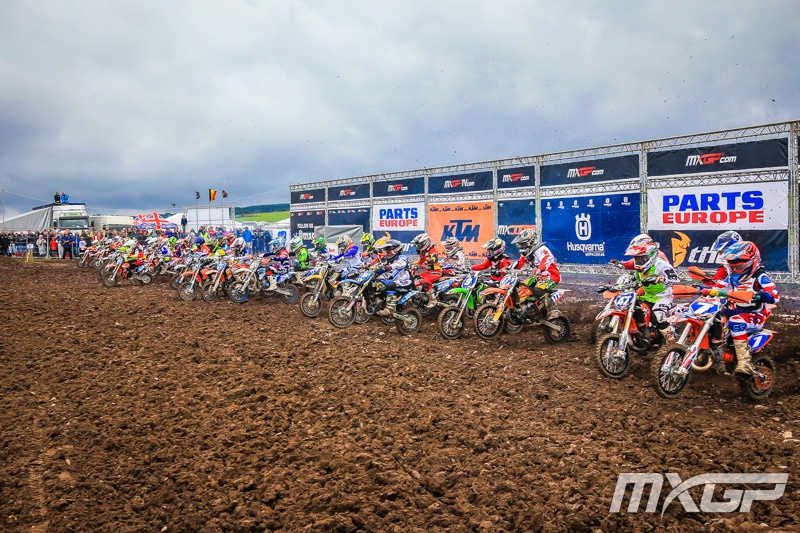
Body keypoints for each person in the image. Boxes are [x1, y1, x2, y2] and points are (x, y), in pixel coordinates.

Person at [714, 241, 780, 375]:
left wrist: (761, 295)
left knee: (736, 321)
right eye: (733, 267)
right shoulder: (732, 278)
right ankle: (715, 349)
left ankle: (745, 363)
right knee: (714, 316)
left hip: (755, 315)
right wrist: (702, 289)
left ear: (752, 262)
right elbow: (718, 287)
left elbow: (775, 295)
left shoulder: (760, 277)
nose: (736, 270)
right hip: (737, 310)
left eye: (740, 266)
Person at [612, 238, 680, 342]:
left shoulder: (662, 265)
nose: (639, 261)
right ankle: (642, 330)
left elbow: (676, 279)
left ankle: (673, 341)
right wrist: (620, 284)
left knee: (657, 316)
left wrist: (663, 279)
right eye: (637, 258)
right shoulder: (639, 269)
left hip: (662, 296)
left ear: (651, 256)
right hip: (647, 296)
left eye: (642, 258)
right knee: (632, 306)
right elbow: (634, 278)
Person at [511, 229, 563, 319]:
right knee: (522, 287)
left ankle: (554, 310)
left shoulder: (541, 249)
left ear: (530, 242)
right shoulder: (527, 253)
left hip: (551, 275)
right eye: (521, 245)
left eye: (523, 244)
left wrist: (540, 268)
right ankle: (527, 309)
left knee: (538, 289)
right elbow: (519, 263)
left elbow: (548, 258)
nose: (522, 247)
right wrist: (509, 269)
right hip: (538, 276)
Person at [373, 239, 413, 316]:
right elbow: (381, 267)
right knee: (376, 283)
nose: (387, 252)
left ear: (395, 250)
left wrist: (390, 266)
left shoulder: (402, 257)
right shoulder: (388, 260)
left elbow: (400, 264)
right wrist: (373, 268)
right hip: (395, 280)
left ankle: (390, 309)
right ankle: (380, 304)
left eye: (388, 251)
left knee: (390, 285)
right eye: (386, 251)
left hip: (405, 281)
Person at [409, 233, 442, 308]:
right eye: (417, 245)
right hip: (428, 272)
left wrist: (425, 263)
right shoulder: (423, 253)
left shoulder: (432, 251)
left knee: (426, 281)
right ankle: (422, 297)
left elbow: (434, 259)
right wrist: (411, 264)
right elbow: (419, 261)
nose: (418, 247)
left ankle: (432, 299)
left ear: (425, 243)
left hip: (436, 272)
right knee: (416, 280)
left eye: (419, 245)